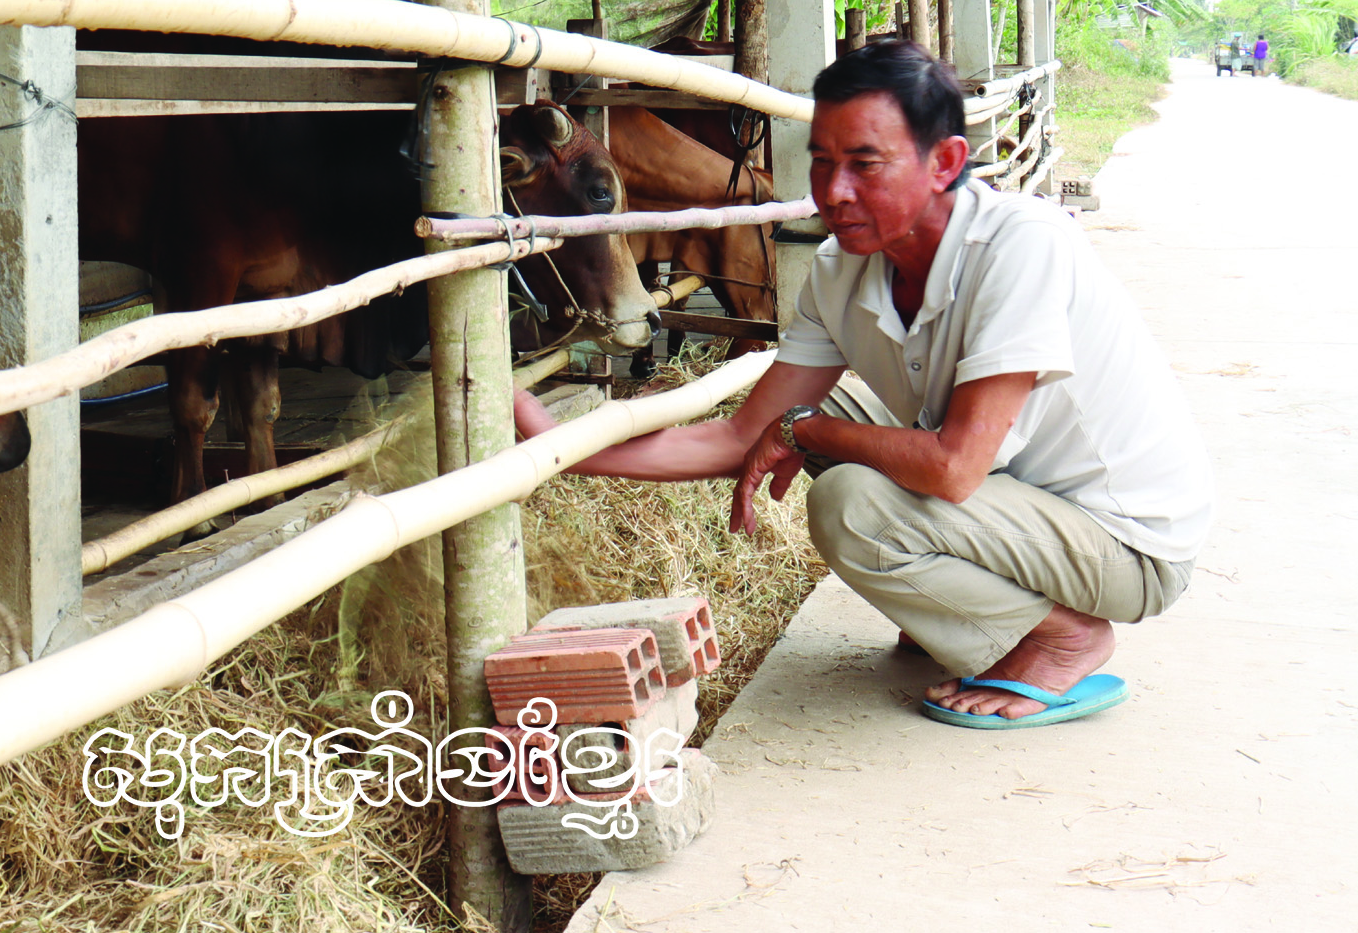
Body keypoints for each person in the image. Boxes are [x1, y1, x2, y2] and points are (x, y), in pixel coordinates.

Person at [514, 41, 1213, 729]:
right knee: (830, 407)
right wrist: (552, 445)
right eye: (820, 162)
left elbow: (953, 467)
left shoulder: (1020, 244)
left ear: (944, 163)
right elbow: (736, 436)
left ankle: (1062, 637)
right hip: (1024, 504)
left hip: (1123, 542)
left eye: (864, 164)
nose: (833, 190)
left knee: (851, 500)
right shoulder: (840, 267)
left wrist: (805, 432)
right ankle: (966, 603)